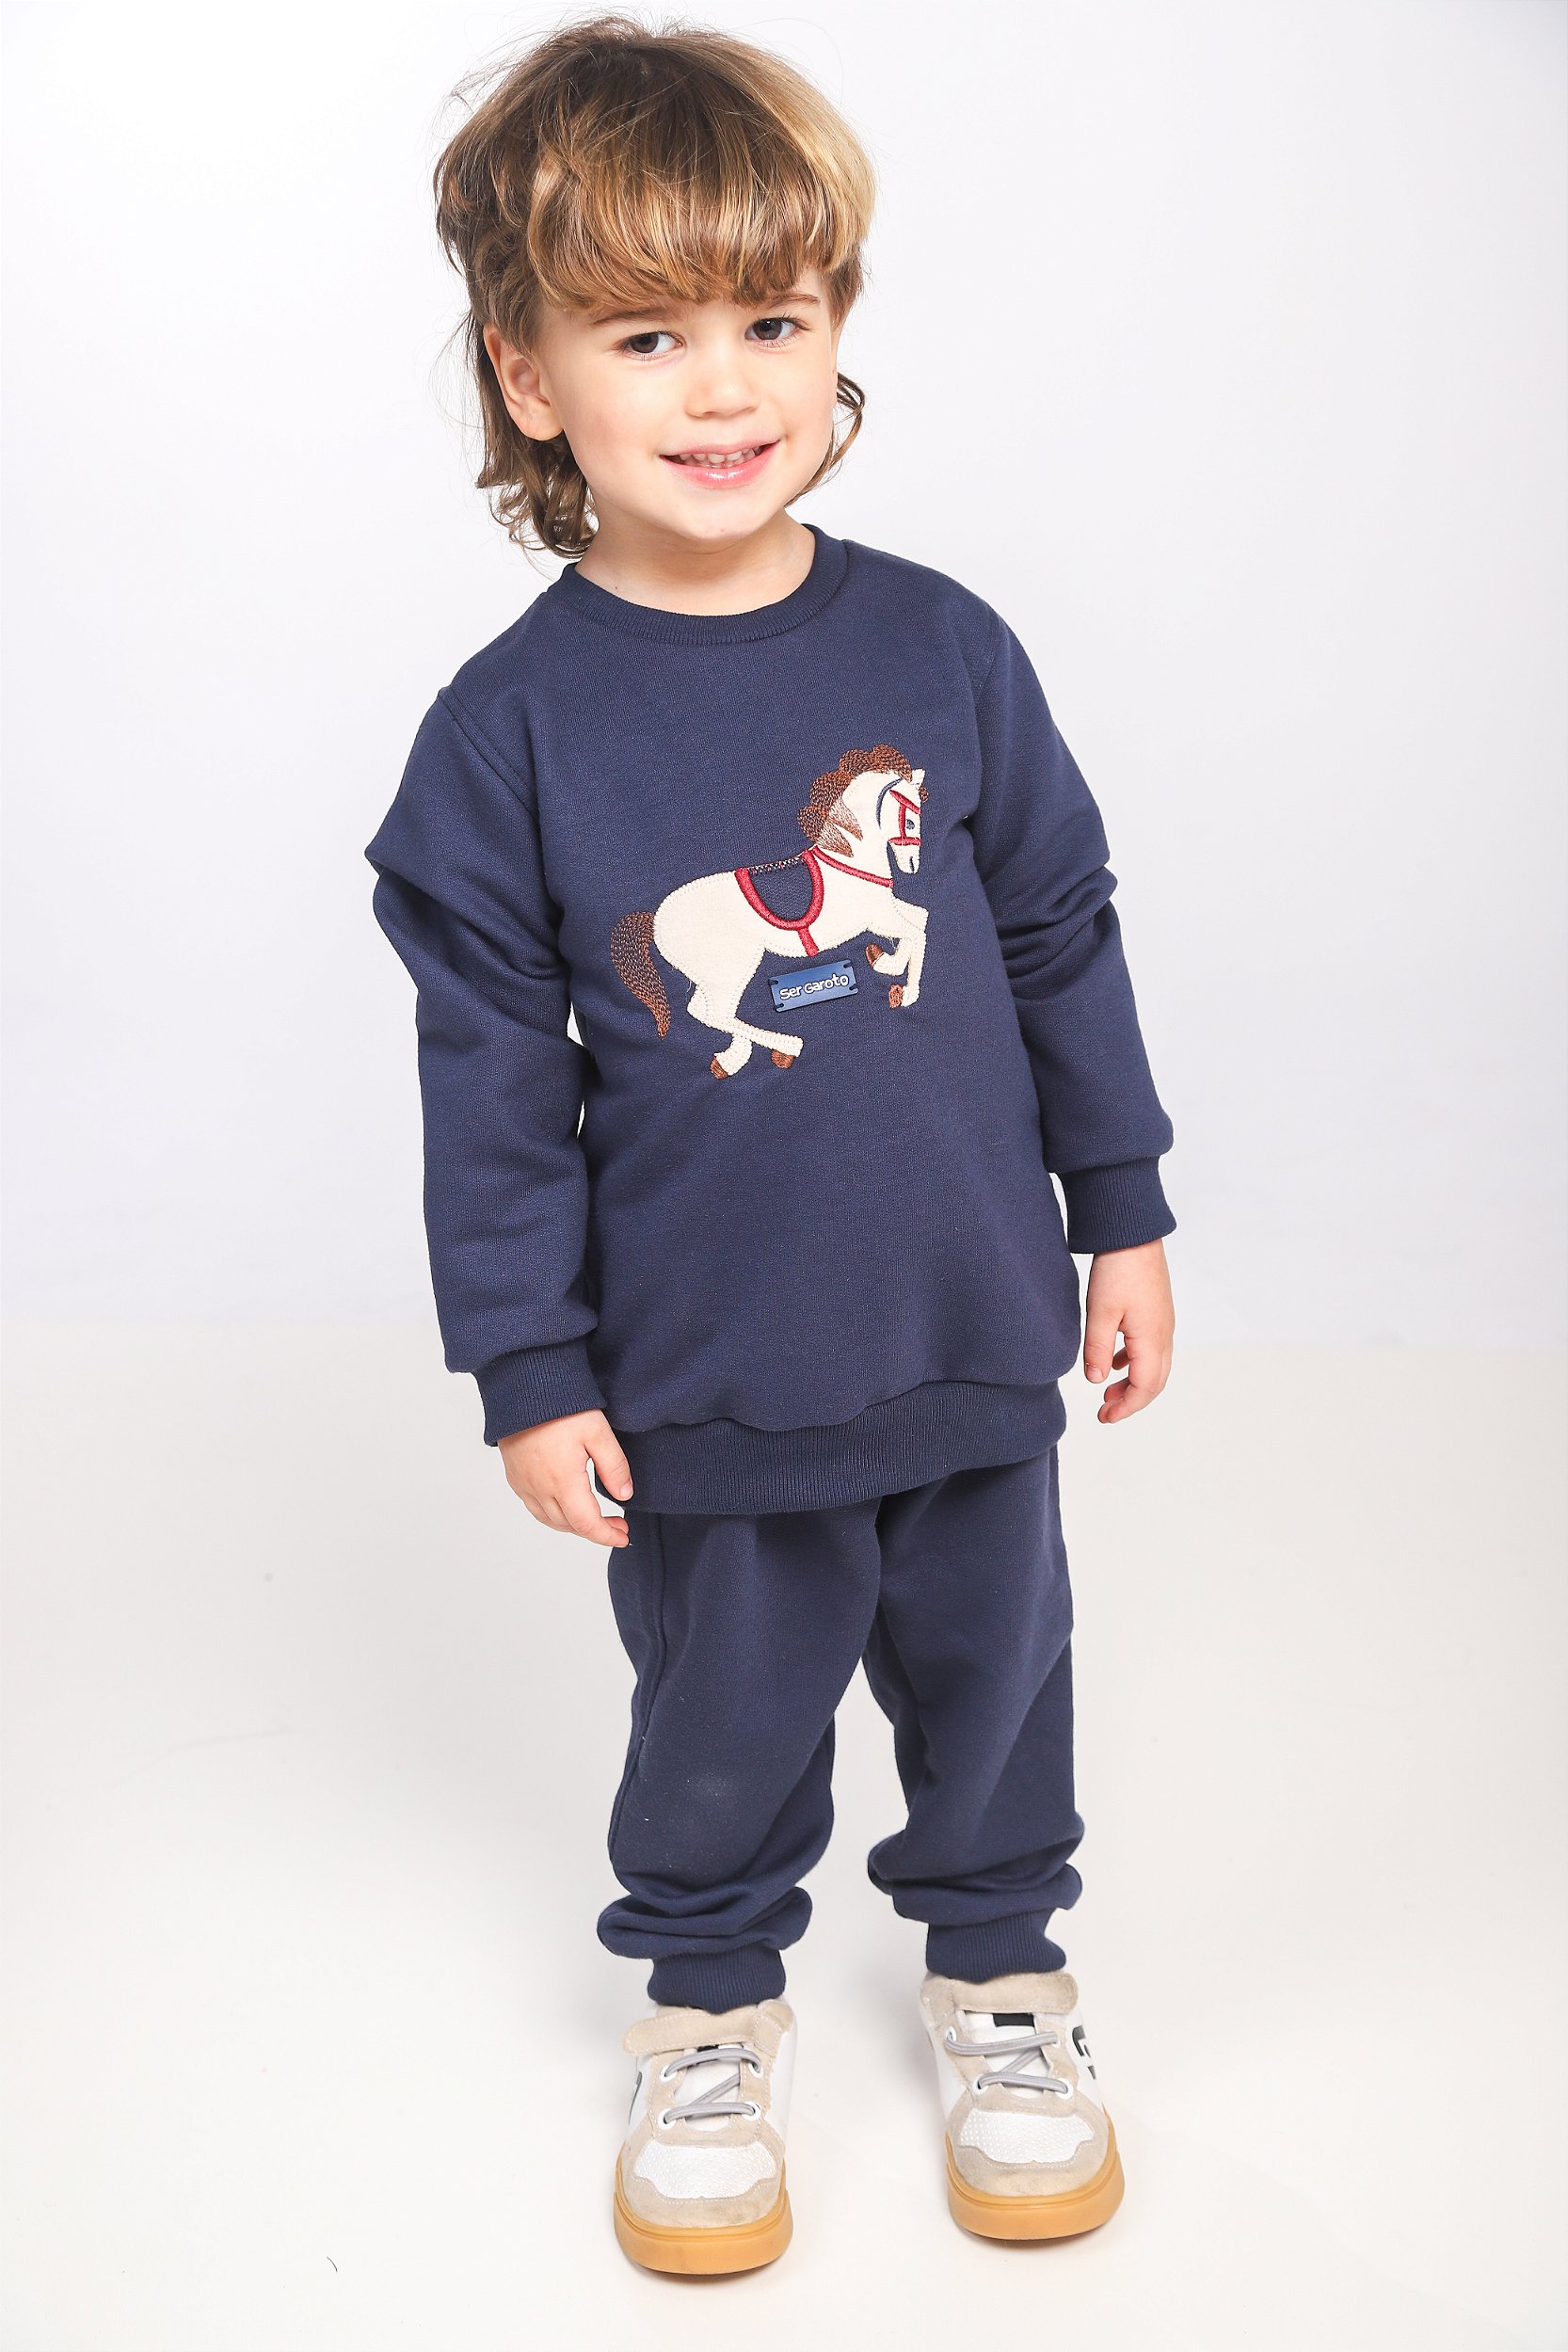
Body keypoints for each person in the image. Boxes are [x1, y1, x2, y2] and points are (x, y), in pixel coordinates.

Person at [364, 12, 1176, 2277]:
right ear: (529, 375)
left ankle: (1001, 1974)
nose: (721, 387)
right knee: (720, 1711)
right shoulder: (506, 736)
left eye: (771, 321)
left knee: (998, 1672)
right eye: (646, 334)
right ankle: (710, 2006)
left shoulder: (944, 651)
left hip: (967, 1319)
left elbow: (1057, 932)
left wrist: (1118, 1208)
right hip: (706, 1364)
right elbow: (489, 1082)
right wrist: (527, 1364)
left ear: (833, 336)